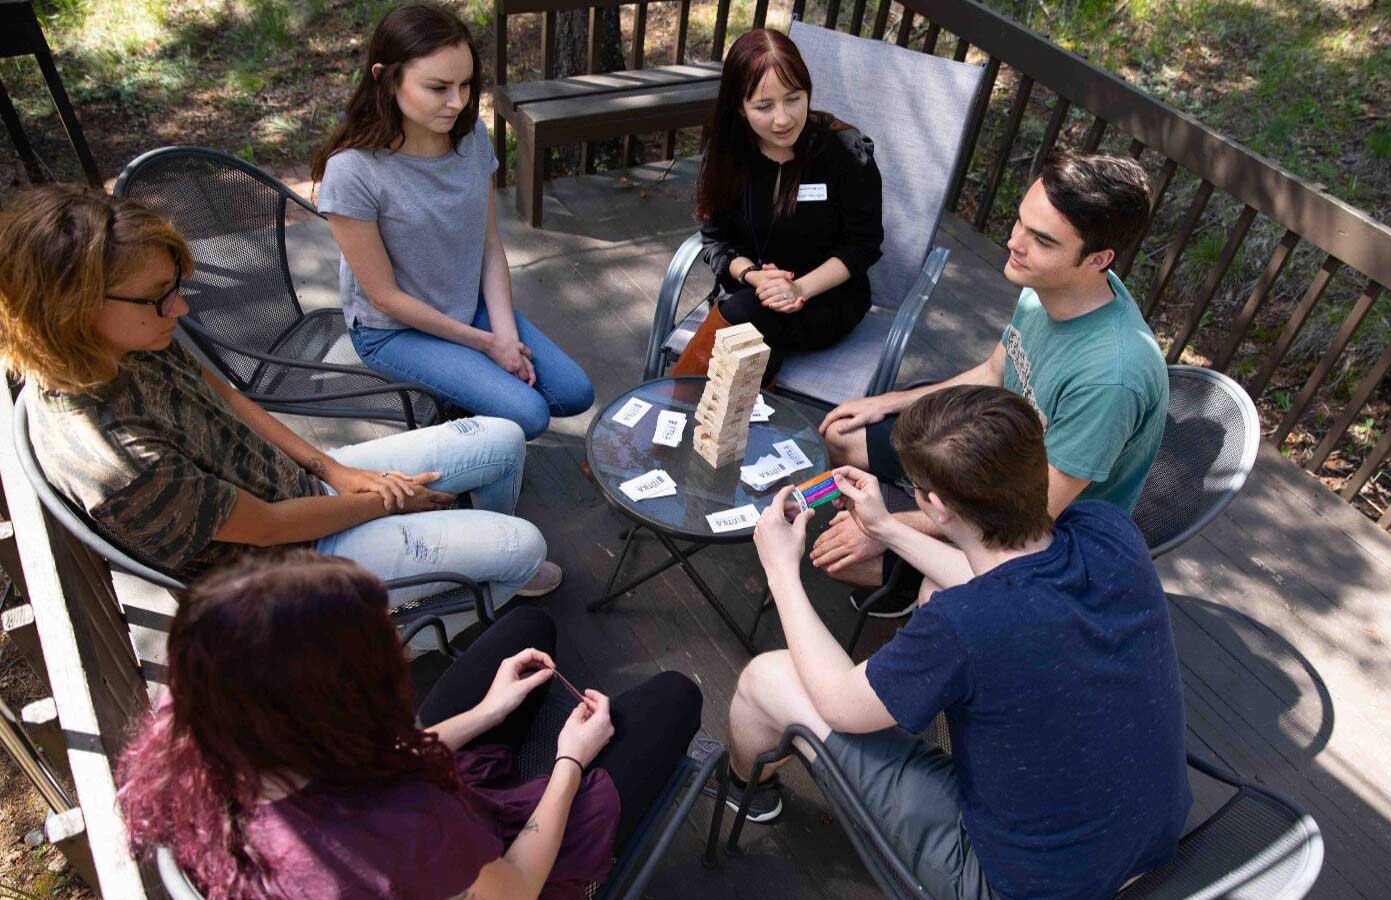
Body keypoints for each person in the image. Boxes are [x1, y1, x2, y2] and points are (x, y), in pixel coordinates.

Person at [727, 386, 1191, 900]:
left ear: (936, 506)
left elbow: (839, 704)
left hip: (1023, 886)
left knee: (765, 679)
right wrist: (886, 528)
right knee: (933, 592)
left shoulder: (964, 625)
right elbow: (1004, 581)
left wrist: (780, 571)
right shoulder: (1109, 531)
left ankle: (743, 788)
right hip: (1148, 842)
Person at [0, 185, 561, 607]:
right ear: (69, 311)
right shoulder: (117, 457)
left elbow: (225, 396)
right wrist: (387, 500)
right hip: (289, 568)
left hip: (303, 490)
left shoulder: (123, 343)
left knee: (504, 438)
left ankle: (477, 558)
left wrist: (334, 469)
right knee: (527, 547)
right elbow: (267, 527)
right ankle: (405, 633)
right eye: (157, 297)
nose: (182, 309)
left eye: (176, 289)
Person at [117, 552, 702, 898]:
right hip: (489, 874)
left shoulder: (201, 725)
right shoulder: (398, 832)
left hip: (385, 803)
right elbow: (517, 887)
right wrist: (570, 761)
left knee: (527, 626)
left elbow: (366, 758)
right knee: (674, 697)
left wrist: (487, 714)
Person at [813, 150, 1168, 610]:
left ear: (1098, 258)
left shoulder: (1111, 379)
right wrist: (890, 402)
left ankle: (911, 587)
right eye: (1020, 222)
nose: (1014, 242)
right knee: (844, 434)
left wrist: (888, 529)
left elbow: (1034, 516)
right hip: (994, 460)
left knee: (853, 560)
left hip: (1044, 532)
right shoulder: (1047, 289)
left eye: (1041, 240)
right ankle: (901, 547)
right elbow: (996, 370)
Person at [312, 2, 593, 441]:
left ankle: (468, 397)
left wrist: (502, 330)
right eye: (438, 87)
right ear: (386, 79)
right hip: (393, 331)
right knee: (532, 415)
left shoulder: (470, 137)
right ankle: (461, 441)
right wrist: (487, 344)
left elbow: (489, 247)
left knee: (575, 393)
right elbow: (383, 298)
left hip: (469, 307)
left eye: (465, 85)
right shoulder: (352, 171)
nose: (457, 102)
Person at [681, 27, 884, 383]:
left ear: (808, 92)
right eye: (764, 106)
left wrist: (798, 288)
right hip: (751, 290)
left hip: (824, 299)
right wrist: (755, 277)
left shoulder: (844, 153)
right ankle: (740, 415)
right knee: (753, 338)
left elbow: (863, 245)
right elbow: (715, 240)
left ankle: (672, 405)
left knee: (743, 325)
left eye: (794, 98)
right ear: (740, 108)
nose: (783, 119)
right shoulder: (729, 154)